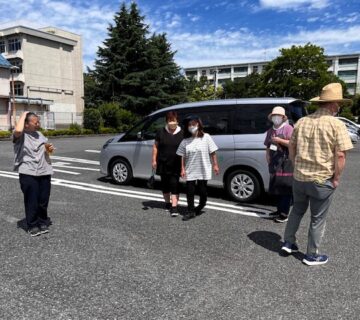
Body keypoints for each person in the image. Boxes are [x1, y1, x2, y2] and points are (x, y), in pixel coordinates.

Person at [281, 83, 353, 266]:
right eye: (338, 104)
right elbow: (340, 155)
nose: (339, 107)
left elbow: (291, 147)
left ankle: (288, 242)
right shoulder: (337, 124)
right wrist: (336, 178)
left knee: (297, 210)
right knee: (317, 218)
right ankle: (311, 255)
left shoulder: (302, 121)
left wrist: (296, 164)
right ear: (332, 104)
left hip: (299, 178)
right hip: (321, 179)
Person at [13, 112, 55, 237]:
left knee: (43, 199)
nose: (38, 124)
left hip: (44, 170)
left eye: (38, 122)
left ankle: (42, 221)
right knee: (32, 200)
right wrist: (23, 114)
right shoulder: (20, 136)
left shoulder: (40, 134)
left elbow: (46, 150)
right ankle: (32, 224)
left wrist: (49, 149)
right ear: (26, 124)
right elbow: (18, 130)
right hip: (28, 171)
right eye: (35, 122)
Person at [176, 116, 219, 221]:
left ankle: (201, 205)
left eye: (193, 124)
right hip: (190, 169)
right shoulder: (185, 141)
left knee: (202, 191)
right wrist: (182, 168)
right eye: (189, 125)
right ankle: (191, 211)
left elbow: (213, 152)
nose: (191, 126)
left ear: (199, 124)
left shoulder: (206, 137)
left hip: (203, 168)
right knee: (189, 191)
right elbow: (182, 155)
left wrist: (215, 165)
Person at [264, 106, 294, 223]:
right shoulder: (270, 130)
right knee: (276, 189)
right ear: (271, 117)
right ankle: (278, 210)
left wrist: (280, 141)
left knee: (285, 188)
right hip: (274, 162)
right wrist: (267, 157)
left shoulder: (288, 128)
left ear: (283, 117)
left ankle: (284, 214)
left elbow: (293, 144)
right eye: (274, 116)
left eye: (278, 116)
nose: (276, 118)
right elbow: (267, 145)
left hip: (285, 163)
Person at [152, 111, 183, 217]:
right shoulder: (161, 132)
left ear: (177, 121)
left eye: (173, 120)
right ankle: (167, 203)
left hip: (176, 163)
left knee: (174, 184)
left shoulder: (182, 133)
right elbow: (155, 146)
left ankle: (174, 207)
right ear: (167, 121)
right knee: (165, 185)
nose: (172, 122)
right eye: (170, 120)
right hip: (163, 162)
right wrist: (154, 160)